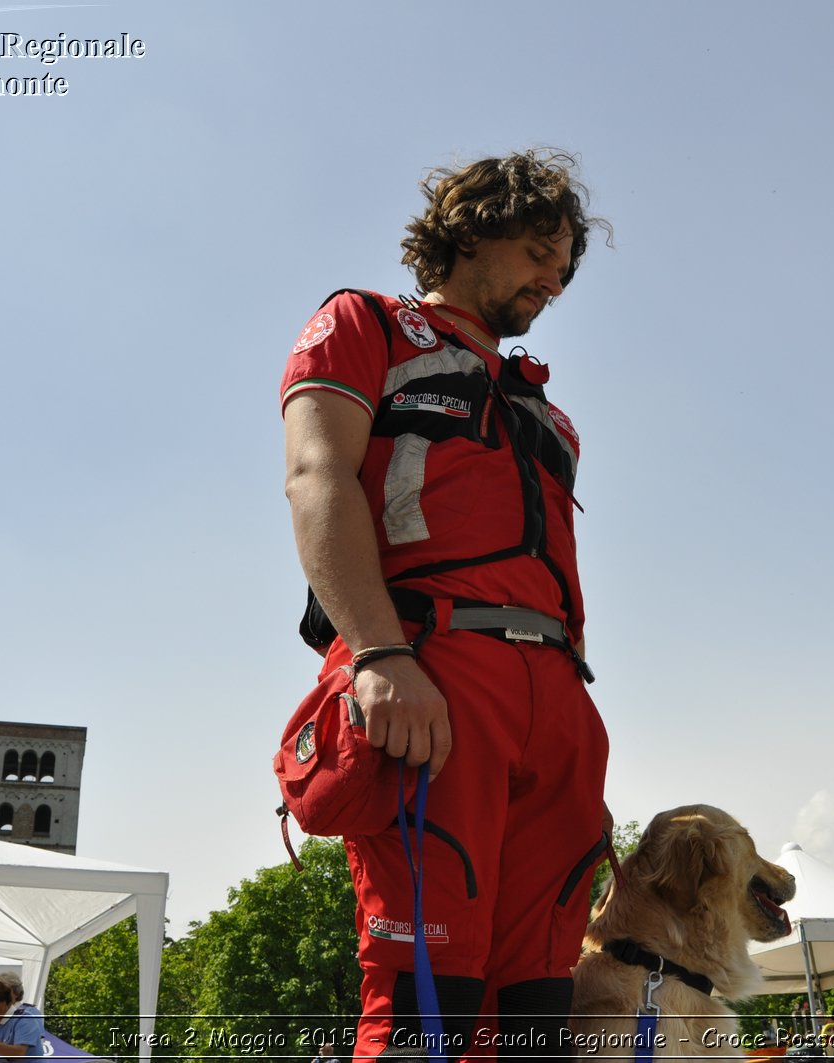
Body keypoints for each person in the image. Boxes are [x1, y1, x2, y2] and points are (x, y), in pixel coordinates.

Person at [281, 150, 611, 1060]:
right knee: (432, 999)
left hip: (559, 698)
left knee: (542, 1005)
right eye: (543, 250)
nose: (556, 279)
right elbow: (317, 476)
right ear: (473, 230)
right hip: (433, 672)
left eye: (567, 265)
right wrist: (381, 655)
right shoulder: (366, 325)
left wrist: (574, 721)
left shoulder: (542, 406)